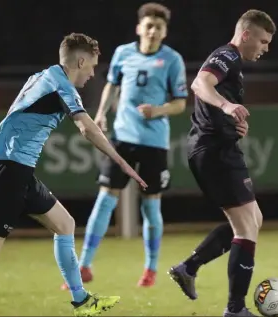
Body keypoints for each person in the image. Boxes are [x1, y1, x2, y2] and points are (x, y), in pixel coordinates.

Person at [0, 33, 148, 317]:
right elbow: (86, 128)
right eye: (92, 67)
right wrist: (122, 162)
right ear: (81, 60)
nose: (91, 74)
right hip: (10, 168)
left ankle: (82, 302)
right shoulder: (61, 84)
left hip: (19, 168)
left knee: (65, 224)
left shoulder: (44, 76)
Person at [61, 2, 188, 290]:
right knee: (105, 199)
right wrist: (102, 113)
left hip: (154, 142)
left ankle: (151, 269)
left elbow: (181, 103)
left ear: (165, 32)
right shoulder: (123, 54)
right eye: (149, 25)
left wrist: (158, 111)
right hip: (122, 138)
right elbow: (112, 85)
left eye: (159, 26)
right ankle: (84, 266)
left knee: (150, 206)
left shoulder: (172, 60)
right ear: (139, 28)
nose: (153, 30)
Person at [168, 9, 276, 317]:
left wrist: (234, 123)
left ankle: (188, 268)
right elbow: (200, 85)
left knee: (252, 219)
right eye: (263, 41)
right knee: (246, 228)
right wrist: (227, 105)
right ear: (246, 35)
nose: (265, 48)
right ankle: (235, 310)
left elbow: (214, 103)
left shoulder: (234, 64)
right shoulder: (226, 56)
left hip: (220, 148)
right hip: (213, 150)